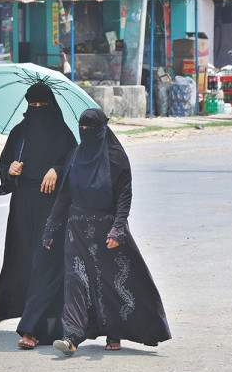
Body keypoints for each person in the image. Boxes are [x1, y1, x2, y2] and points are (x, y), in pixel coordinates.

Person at [42, 109, 171, 357]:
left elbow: (124, 196)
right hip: (76, 227)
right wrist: (50, 228)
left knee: (111, 282)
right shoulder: (75, 156)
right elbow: (64, 196)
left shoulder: (116, 158)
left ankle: (115, 332)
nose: (86, 134)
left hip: (107, 228)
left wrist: (118, 229)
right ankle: (71, 337)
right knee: (75, 280)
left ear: (102, 130)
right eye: (82, 129)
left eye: (91, 129)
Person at [0, 82, 77, 349]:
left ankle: (30, 328)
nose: (38, 110)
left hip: (53, 207)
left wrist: (57, 168)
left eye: (43, 105)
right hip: (23, 206)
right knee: (26, 260)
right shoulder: (19, 133)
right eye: (33, 105)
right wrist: (11, 169)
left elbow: (76, 164)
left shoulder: (63, 133)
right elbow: (4, 165)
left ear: (51, 106)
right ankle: (40, 322)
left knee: (46, 261)